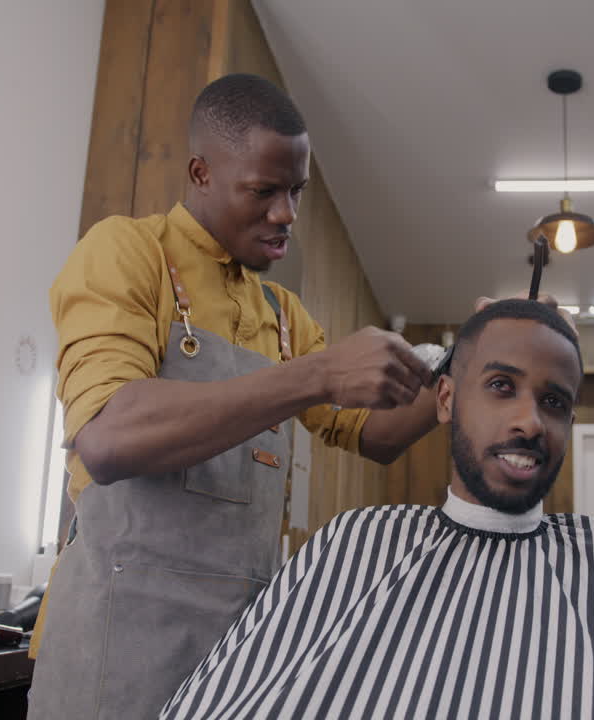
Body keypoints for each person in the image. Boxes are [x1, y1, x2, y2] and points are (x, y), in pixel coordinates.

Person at [28, 74, 451, 719]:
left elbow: (379, 434)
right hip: (114, 653)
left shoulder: (282, 315)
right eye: (264, 191)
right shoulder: (127, 254)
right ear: (201, 173)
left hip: (238, 656)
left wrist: (472, 363)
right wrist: (316, 375)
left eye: (297, 192)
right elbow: (109, 434)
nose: (286, 214)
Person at [160, 299, 594, 720]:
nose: (530, 420)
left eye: (555, 402)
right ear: (444, 400)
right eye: (500, 386)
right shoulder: (359, 542)